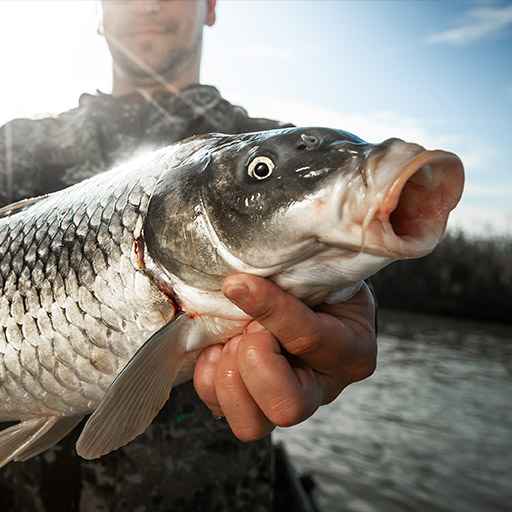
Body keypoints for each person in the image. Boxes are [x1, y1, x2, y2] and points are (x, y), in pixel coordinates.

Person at [0, 1, 377, 510]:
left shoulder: (276, 149)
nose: (151, 3)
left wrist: (347, 308)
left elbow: (344, 269)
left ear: (211, 8)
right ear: (98, 12)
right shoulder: (16, 147)